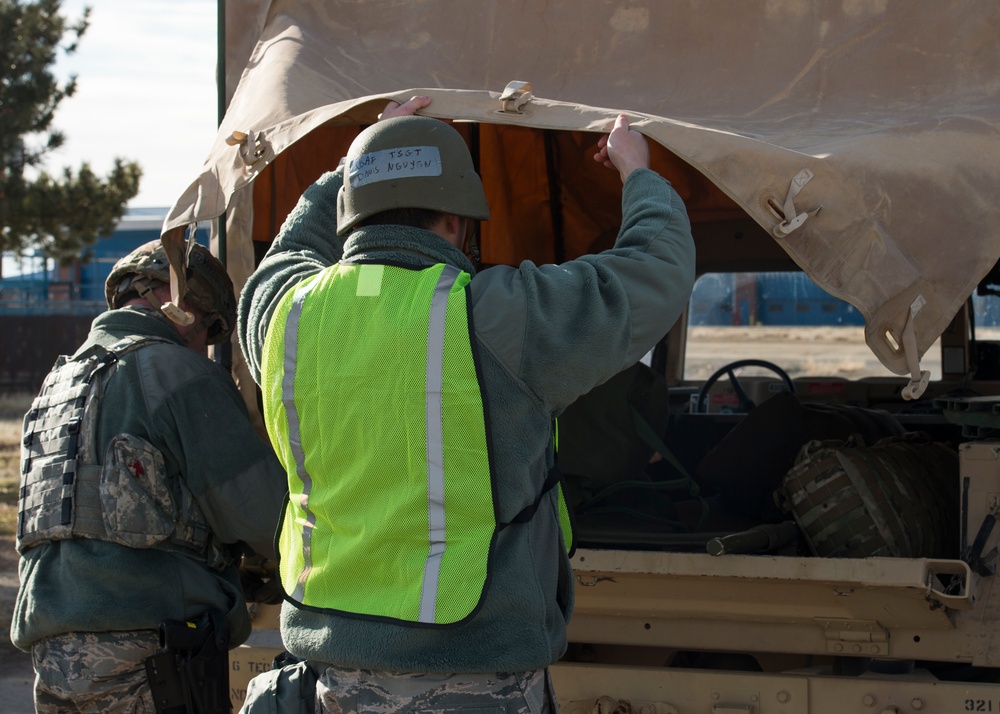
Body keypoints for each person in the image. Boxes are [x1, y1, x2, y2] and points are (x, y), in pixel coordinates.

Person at [236, 97, 695, 713]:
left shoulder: (281, 314)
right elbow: (653, 271)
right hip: (476, 678)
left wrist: (350, 167)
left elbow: (284, 254)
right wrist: (638, 173)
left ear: (349, 218)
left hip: (329, 677)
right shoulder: (498, 317)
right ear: (457, 222)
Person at [12, 239, 288, 713]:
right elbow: (268, 518)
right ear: (183, 304)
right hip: (148, 652)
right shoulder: (177, 370)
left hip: (54, 655)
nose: (204, 344)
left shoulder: (56, 386)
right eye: (209, 328)